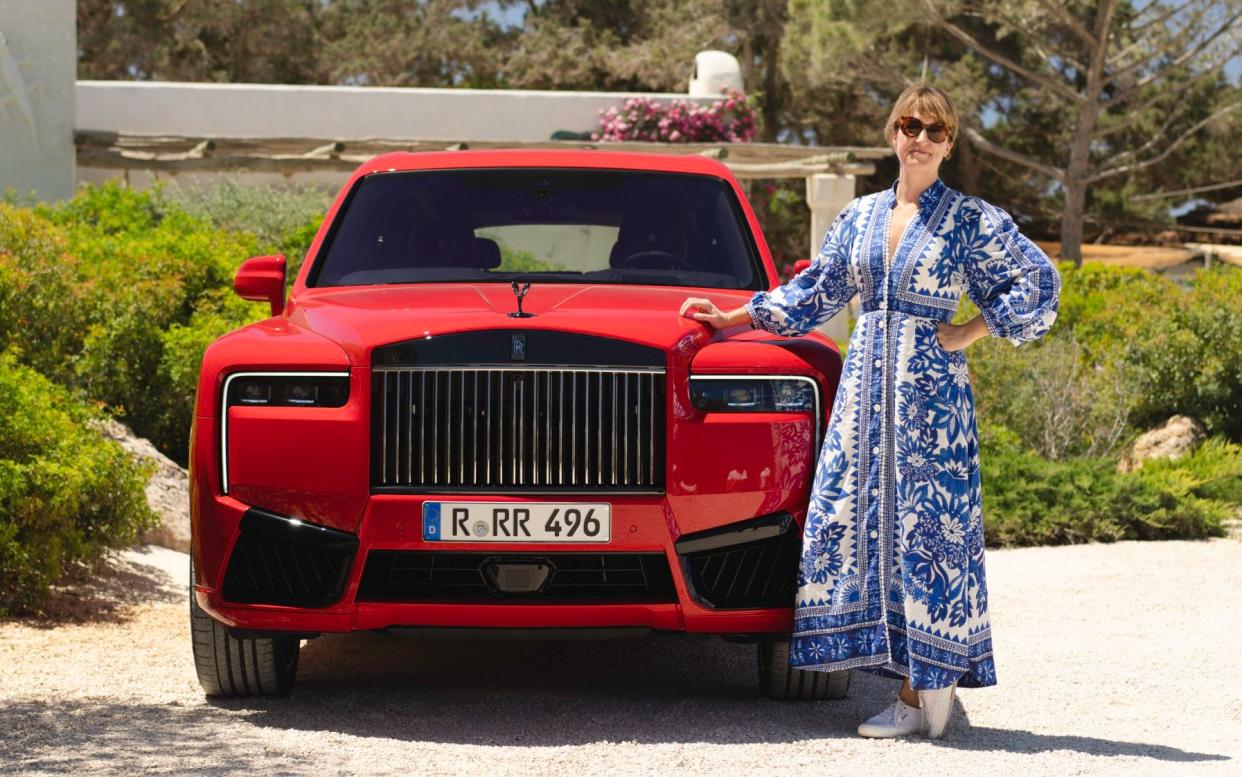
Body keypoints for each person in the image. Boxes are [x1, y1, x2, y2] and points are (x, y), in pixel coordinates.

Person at [678, 84, 1060, 739]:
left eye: (934, 130)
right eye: (909, 124)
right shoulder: (857, 217)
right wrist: (732, 317)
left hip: (932, 398)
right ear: (892, 133)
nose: (919, 137)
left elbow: (1039, 282)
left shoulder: (969, 220)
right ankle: (912, 686)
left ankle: (921, 689)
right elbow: (815, 291)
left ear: (949, 143)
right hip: (863, 398)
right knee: (855, 524)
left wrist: (969, 330)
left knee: (928, 530)